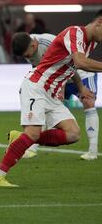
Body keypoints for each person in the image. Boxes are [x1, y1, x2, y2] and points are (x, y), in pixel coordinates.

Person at [0, 9, 102, 187]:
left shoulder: (90, 43)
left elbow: (73, 67)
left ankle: (21, 139)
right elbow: (80, 62)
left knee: (73, 134)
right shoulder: (74, 33)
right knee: (33, 133)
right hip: (36, 87)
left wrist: (80, 87)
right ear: (98, 23)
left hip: (51, 93)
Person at [10, 32, 99, 160]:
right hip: (59, 77)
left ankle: (93, 151)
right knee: (44, 105)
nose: (27, 57)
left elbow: (70, 64)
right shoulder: (26, 44)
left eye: (27, 54)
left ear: (33, 45)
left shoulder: (47, 44)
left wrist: (76, 88)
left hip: (80, 72)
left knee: (88, 102)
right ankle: (31, 146)